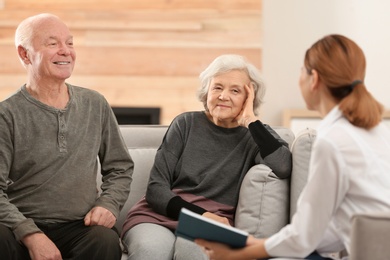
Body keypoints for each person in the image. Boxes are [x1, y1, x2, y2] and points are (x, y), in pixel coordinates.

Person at [196, 34, 390, 260]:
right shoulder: (376, 130)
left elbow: (303, 239)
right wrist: (254, 242)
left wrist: (236, 255)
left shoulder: (332, 141)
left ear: (313, 79)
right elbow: (333, 230)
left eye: (301, 71)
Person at [120, 54, 292, 260]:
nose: (223, 96)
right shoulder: (185, 124)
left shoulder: (255, 135)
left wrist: (251, 121)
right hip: (157, 216)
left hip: (210, 225)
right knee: (151, 251)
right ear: (207, 91)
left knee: (193, 253)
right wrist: (203, 215)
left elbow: (283, 166)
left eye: (235, 90)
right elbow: (156, 189)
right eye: (217, 87)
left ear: (250, 98)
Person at [0, 13, 134, 260]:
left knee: (104, 240)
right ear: (24, 54)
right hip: (20, 225)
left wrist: (108, 204)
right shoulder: (6, 115)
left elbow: (120, 167)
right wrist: (30, 234)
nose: (66, 51)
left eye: (69, 43)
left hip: (79, 226)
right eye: (52, 44)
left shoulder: (95, 104)